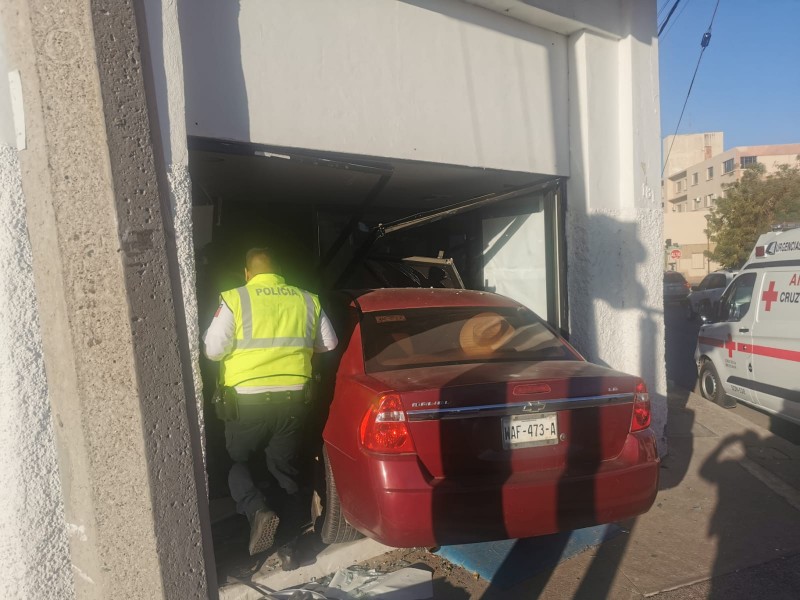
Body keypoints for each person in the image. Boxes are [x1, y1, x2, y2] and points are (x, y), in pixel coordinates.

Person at [202, 247, 338, 565]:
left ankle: (256, 509)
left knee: (238, 461)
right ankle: (288, 546)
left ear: (247, 273)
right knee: (283, 467)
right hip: (292, 399)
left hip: (247, 401)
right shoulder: (306, 299)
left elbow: (213, 350)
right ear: (280, 273)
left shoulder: (235, 299)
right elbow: (329, 343)